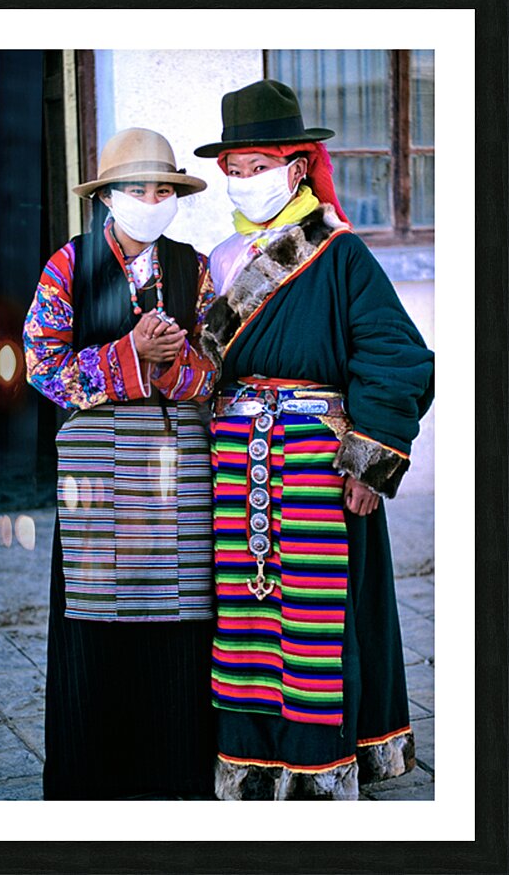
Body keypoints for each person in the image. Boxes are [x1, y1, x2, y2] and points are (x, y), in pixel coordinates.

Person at [193, 79, 435, 800]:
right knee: (242, 615)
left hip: (314, 465)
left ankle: (320, 764)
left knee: (311, 617)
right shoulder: (221, 261)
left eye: (259, 165)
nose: (246, 180)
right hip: (235, 464)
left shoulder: (339, 255)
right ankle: (250, 755)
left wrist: (369, 461)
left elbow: (397, 355)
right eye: (234, 169)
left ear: (296, 167)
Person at [23, 127, 218, 800]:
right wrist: (130, 353)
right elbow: (40, 367)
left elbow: (217, 376)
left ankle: (176, 782)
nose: (151, 198)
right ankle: (91, 791)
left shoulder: (195, 268)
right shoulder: (67, 266)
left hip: (178, 474)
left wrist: (174, 364)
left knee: (180, 623)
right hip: (97, 479)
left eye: (163, 188)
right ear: (106, 196)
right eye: (137, 188)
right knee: (92, 628)